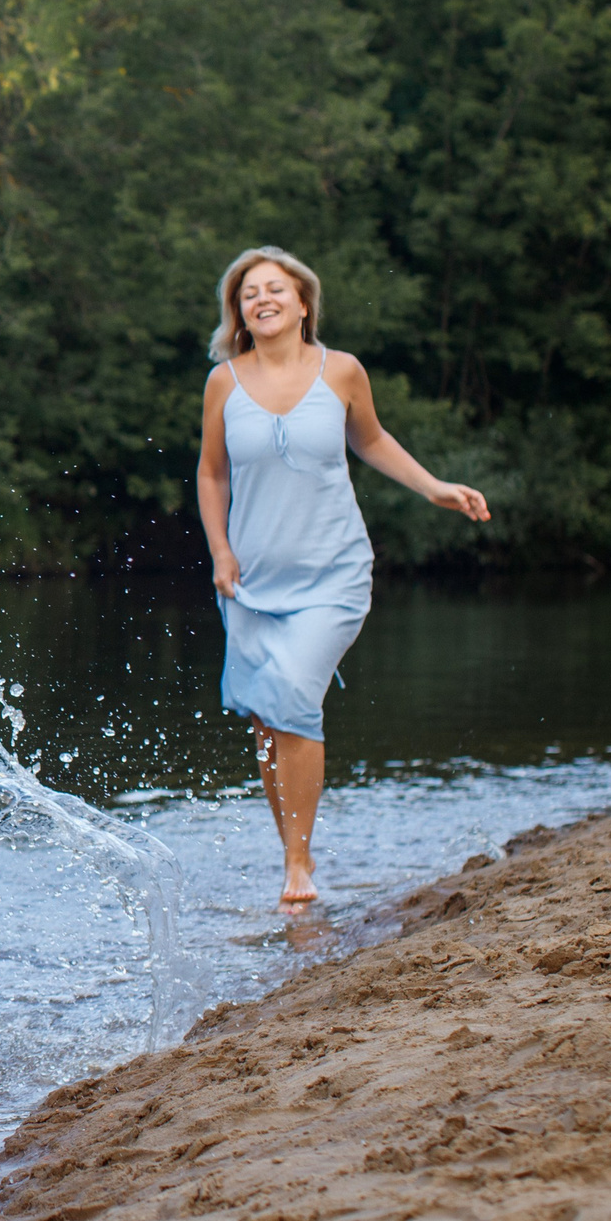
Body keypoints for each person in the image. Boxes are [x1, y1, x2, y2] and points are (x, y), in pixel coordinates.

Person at [196, 246, 489, 909]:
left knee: (295, 696)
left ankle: (300, 864)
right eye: (249, 293)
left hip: (332, 571)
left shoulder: (343, 372)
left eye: (275, 288)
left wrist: (435, 487)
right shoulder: (224, 382)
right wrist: (220, 550)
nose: (262, 299)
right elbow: (211, 472)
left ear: (303, 301)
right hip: (249, 581)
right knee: (268, 723)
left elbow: (372, 439)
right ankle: (292, 852)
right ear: (238, 311)